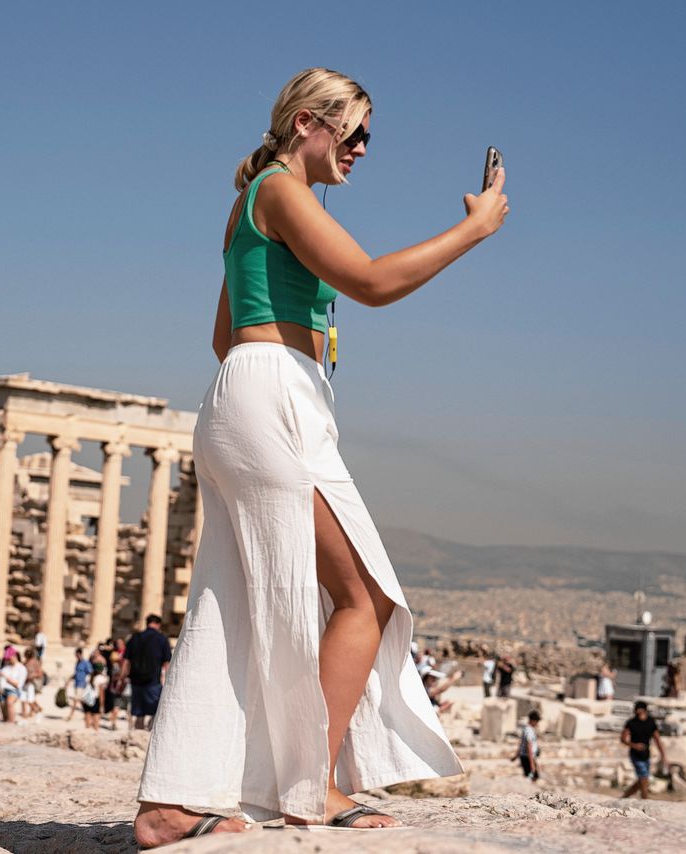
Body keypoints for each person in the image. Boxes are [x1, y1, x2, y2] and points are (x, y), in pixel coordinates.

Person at [135, 67, 505, 846]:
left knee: (232, 601)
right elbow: (370, 282)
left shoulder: (253, 200)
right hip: (272, 399)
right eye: (355, 131)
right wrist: (473, 229)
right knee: (364, 597)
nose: (364, 148)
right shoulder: (277, 190)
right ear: (309, 122)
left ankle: (177, 800)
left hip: (256, 391)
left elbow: (220, 334)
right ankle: (316, 786)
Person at [122, 615, 172, 731]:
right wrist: (169, 680)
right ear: (158, 624)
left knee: (139, 713)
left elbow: (125, 661)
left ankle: (139, 735)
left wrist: (121, 677)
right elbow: (166, 662)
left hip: (135, 680)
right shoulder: (162, 639)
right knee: (156, 711)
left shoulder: (134, 638)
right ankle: (149, 736)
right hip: (153, 680)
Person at [621, 701, 666, 799]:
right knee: (644, 777)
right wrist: (634, 745)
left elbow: (657, 740)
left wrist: (664, 756)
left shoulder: (651, 723)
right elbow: (623, 739)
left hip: (646, 755)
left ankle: (625, 796)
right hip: (635, 755)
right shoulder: (631, 723)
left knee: (642, 779)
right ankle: (645, 800)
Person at [0, 649, 26, 723]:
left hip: (14, 690)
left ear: (14, 656)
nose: (8, 660)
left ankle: (11, 721)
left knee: (9, 703)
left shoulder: (22, 668)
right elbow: (1, 679)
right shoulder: (6, 668)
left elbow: (19, 685)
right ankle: (6, 720)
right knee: (2, 705)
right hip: (4, 689)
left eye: (9, 658)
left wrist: (8, 679)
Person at [514, 710, 541, 782]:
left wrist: (516, 756)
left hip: (527, 757)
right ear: (533, 721)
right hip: (528, 757)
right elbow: (529, 746)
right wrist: (532, 764)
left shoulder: (527, 729)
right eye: (537, 721)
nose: (537, 724)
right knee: (532, 777)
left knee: (532, 776)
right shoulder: (529, 731)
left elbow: (521, 744)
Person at [81, 659, 108, 731]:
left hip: (87, 699)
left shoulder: (88, 677)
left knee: (87, 721)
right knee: (96, 724)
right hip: (95, 700)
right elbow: (101, 693)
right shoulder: (101, 679)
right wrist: (102, 705)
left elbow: (84, 688)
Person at [66, 647, 92, 722]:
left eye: (77, 654)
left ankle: (70, 715)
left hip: (82, 684)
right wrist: (69, 679)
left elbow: (90, 672)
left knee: (75, 700)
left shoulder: (85, 663)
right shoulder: (77, 663)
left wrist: (89, 682)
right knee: (81, 701)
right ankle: (87, 714)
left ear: (80, 654)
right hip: (77, 683)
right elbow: (76, 673)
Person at [22, 647, 44, 719]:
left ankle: (38, 712)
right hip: (26, 684)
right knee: (27, 700)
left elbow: (40, 674)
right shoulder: (25, 663)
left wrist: (32, 675)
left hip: (32, 684)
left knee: (30, 700)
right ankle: (27, 715)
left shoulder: (35, 662)